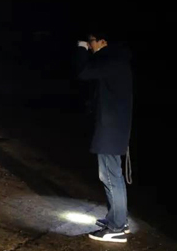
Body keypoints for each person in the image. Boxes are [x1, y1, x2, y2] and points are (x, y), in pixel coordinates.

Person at [75, 31, 133, 243]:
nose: (90, 46)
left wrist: (80, 49)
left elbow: (83, 71)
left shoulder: (111, 60)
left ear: (103, 41)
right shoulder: (116, 60)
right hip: (114, 128)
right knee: (112, 176)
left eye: (91, 42)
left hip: (111, 129)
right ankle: (117, 219)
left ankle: (117, 227)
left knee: (110, 176)